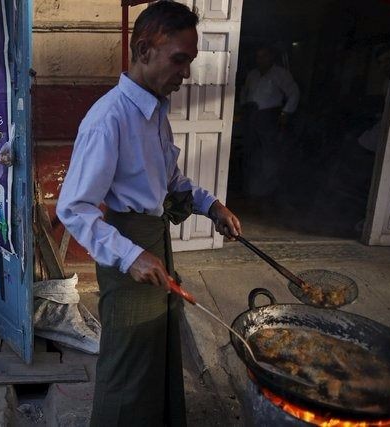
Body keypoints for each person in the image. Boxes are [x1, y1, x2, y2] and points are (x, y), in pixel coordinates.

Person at [56, 2, 241, 426]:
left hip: (155, 240)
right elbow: (74, 207)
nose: (186, 74)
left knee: (157, 347)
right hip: (128, 251)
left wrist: (211, 205)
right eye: (179, 60)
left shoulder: (156, 111)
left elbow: (171, 179)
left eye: (190, 62)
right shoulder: (109, 119)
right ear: (143, 50)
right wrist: (131, 256)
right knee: (127, 361)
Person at [240, 46, 300, 197]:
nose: (261, 60)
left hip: (269, 118)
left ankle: (267, 191)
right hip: (252, 116)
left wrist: (286, 112)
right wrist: (243, 109)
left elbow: (294, 93)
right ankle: (250, 189)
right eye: (258, 56)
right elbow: (244, 92)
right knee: (251, 152)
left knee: (269, 154)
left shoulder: (281, 74)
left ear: (271, 57)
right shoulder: (252, 74)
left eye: (264, 56)